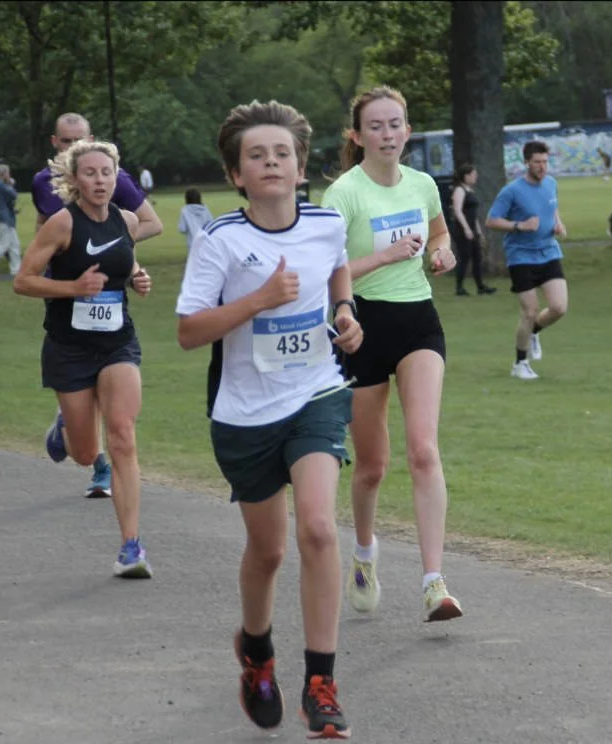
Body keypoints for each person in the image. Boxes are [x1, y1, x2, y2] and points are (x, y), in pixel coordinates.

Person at [176, 100, 362, 740]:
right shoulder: (220, 241)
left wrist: (344, 312)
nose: (272, 162)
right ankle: (257, 651)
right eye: (257, 155)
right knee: (270, 548)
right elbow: (188, 332)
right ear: (237, 174)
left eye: (282, 153)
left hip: (315, 396)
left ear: (301, 165)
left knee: (316, 528)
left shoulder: (326, 223)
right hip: (245, 415)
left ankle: (321, 682)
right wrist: (258, 300)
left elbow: (337, 269)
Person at [321, 85, 464, 624]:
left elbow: (438, 231)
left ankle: (434, 583)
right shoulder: (344, 195)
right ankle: (363, 553)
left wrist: (440, 251)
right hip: (362, 327)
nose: (387, 134)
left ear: (408, 130)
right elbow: (327, 272)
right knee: (373, 466)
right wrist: (381, 256)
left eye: (396, 124)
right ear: (357, 135)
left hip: (418, 323)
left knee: (423, 449)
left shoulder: (424, 184)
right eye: (376, 126)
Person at [13, 140, 154, 579]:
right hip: (69, 348)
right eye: (90, 173)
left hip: (117, 342)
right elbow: (24, 281)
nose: (100, 180)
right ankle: (65, 427)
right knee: (86, 452)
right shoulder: (61, 224)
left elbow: (122, 260)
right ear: (74, 180)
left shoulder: (126, 220)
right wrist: (74, 289)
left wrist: (137, 276)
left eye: (106, 173)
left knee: (122, 437)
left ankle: (131, 546)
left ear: (116, 177)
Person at [31, 112, 163, 498]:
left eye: (81, 140)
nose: (75, 148)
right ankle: (78, 436)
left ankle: (111, 478)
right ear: (56, 144)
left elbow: (148, 224)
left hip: (112, 313)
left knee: (121, 419)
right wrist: (58, 258)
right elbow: (43, 225)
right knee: (84, 444)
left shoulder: (112, 179)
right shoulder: (43, 182)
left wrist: (127, 264)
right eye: (68, 142)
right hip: (67, 302)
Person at [485, 140, 569, 381]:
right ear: (526, 163)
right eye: (537, 162)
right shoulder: (511, 191)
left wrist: (558, 223)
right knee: (529, 310)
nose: (542, 167)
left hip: (549, 251)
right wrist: (520, 226)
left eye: (545, 162)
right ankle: (520, 363)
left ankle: (534, 331)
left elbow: (551, 208)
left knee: (559, 308)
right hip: (520, 256)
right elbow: (491, 221)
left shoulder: (551, 183)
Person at [450, 163, 496, 297]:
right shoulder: (459, 190)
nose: (475, 177)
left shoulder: (470, 191)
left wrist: (478, 231)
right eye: (473, 175)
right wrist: (466, 229)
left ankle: (480, 286)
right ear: (466, 176)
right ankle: (459, 288)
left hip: (471, 228)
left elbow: (473, 214)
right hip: (461, 229)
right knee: (465, 257)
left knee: (477, 256)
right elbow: (458, 211)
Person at [177, 187, 214, 252]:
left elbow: (182, 229)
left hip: (192, 244)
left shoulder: (185, 210)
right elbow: (211, 224)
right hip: (206, 241)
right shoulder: (205, 209)